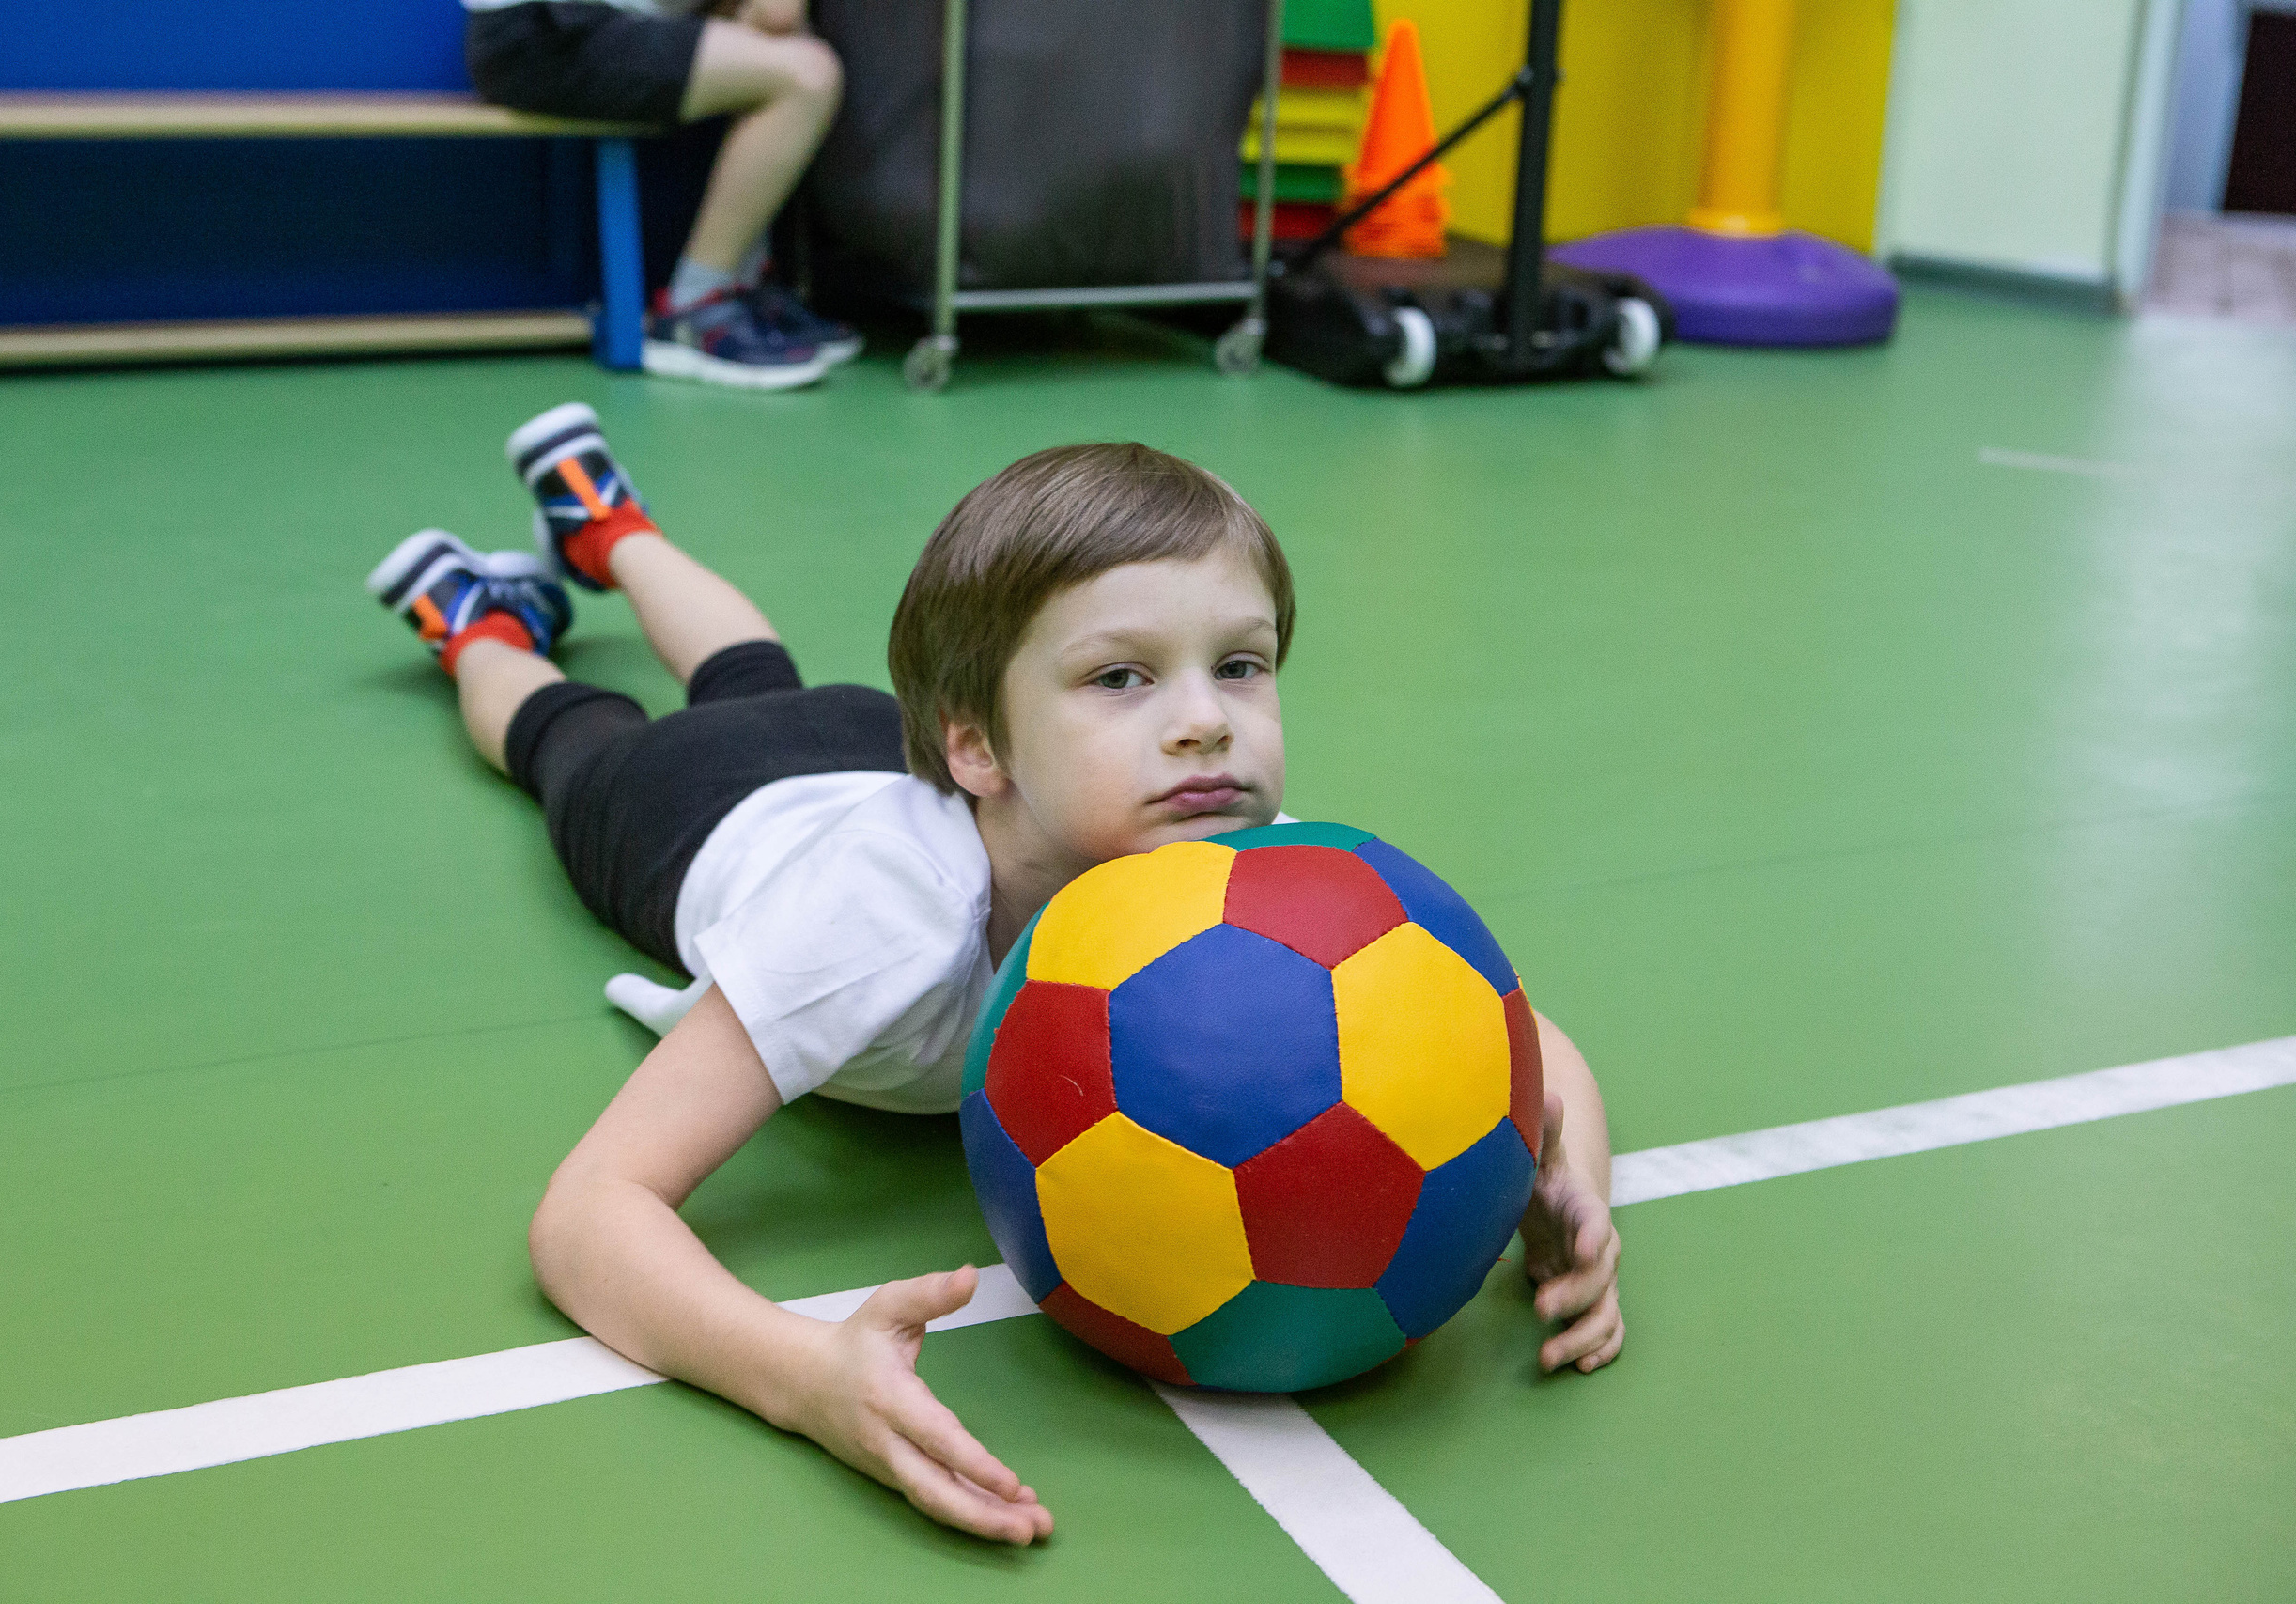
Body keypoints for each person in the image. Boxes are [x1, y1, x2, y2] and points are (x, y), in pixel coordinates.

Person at [365, 401, 1626, 1544]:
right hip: (700, 817)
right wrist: (800, 1374)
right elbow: (587, 1215)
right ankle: (472, 626)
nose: (1207, 720)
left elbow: (1519, 1034)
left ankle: (611, 528)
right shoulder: (867, 930)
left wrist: (1574, 1181)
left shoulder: (1241, 864)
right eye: (1121, 676)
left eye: (1238, 662)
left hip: (878, 745)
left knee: (760, 671)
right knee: (575, 734)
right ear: (976, 744)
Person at [462, 0, 860, 389]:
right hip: (547, 33)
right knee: (807, 74)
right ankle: (695, 307)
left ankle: (742, 286)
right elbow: (779, 12)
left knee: (775, 42)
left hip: (550, 29)